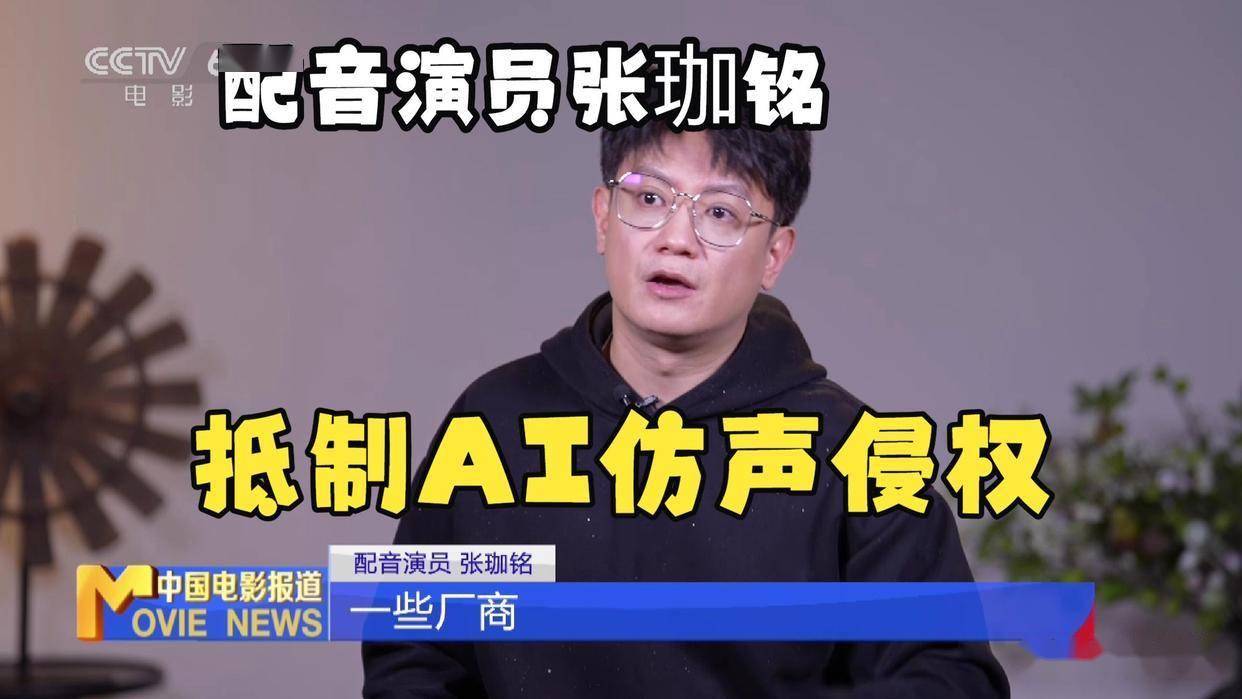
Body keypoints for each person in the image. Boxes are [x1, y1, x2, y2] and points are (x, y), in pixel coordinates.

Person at [361, 120, 1010, 698]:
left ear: (775, 255)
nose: (676, 239)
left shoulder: (855, 454)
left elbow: (950, 677)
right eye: (649, 198)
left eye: (721, 213)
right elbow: (414, 653)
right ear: (603, 217)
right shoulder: (495, 421)